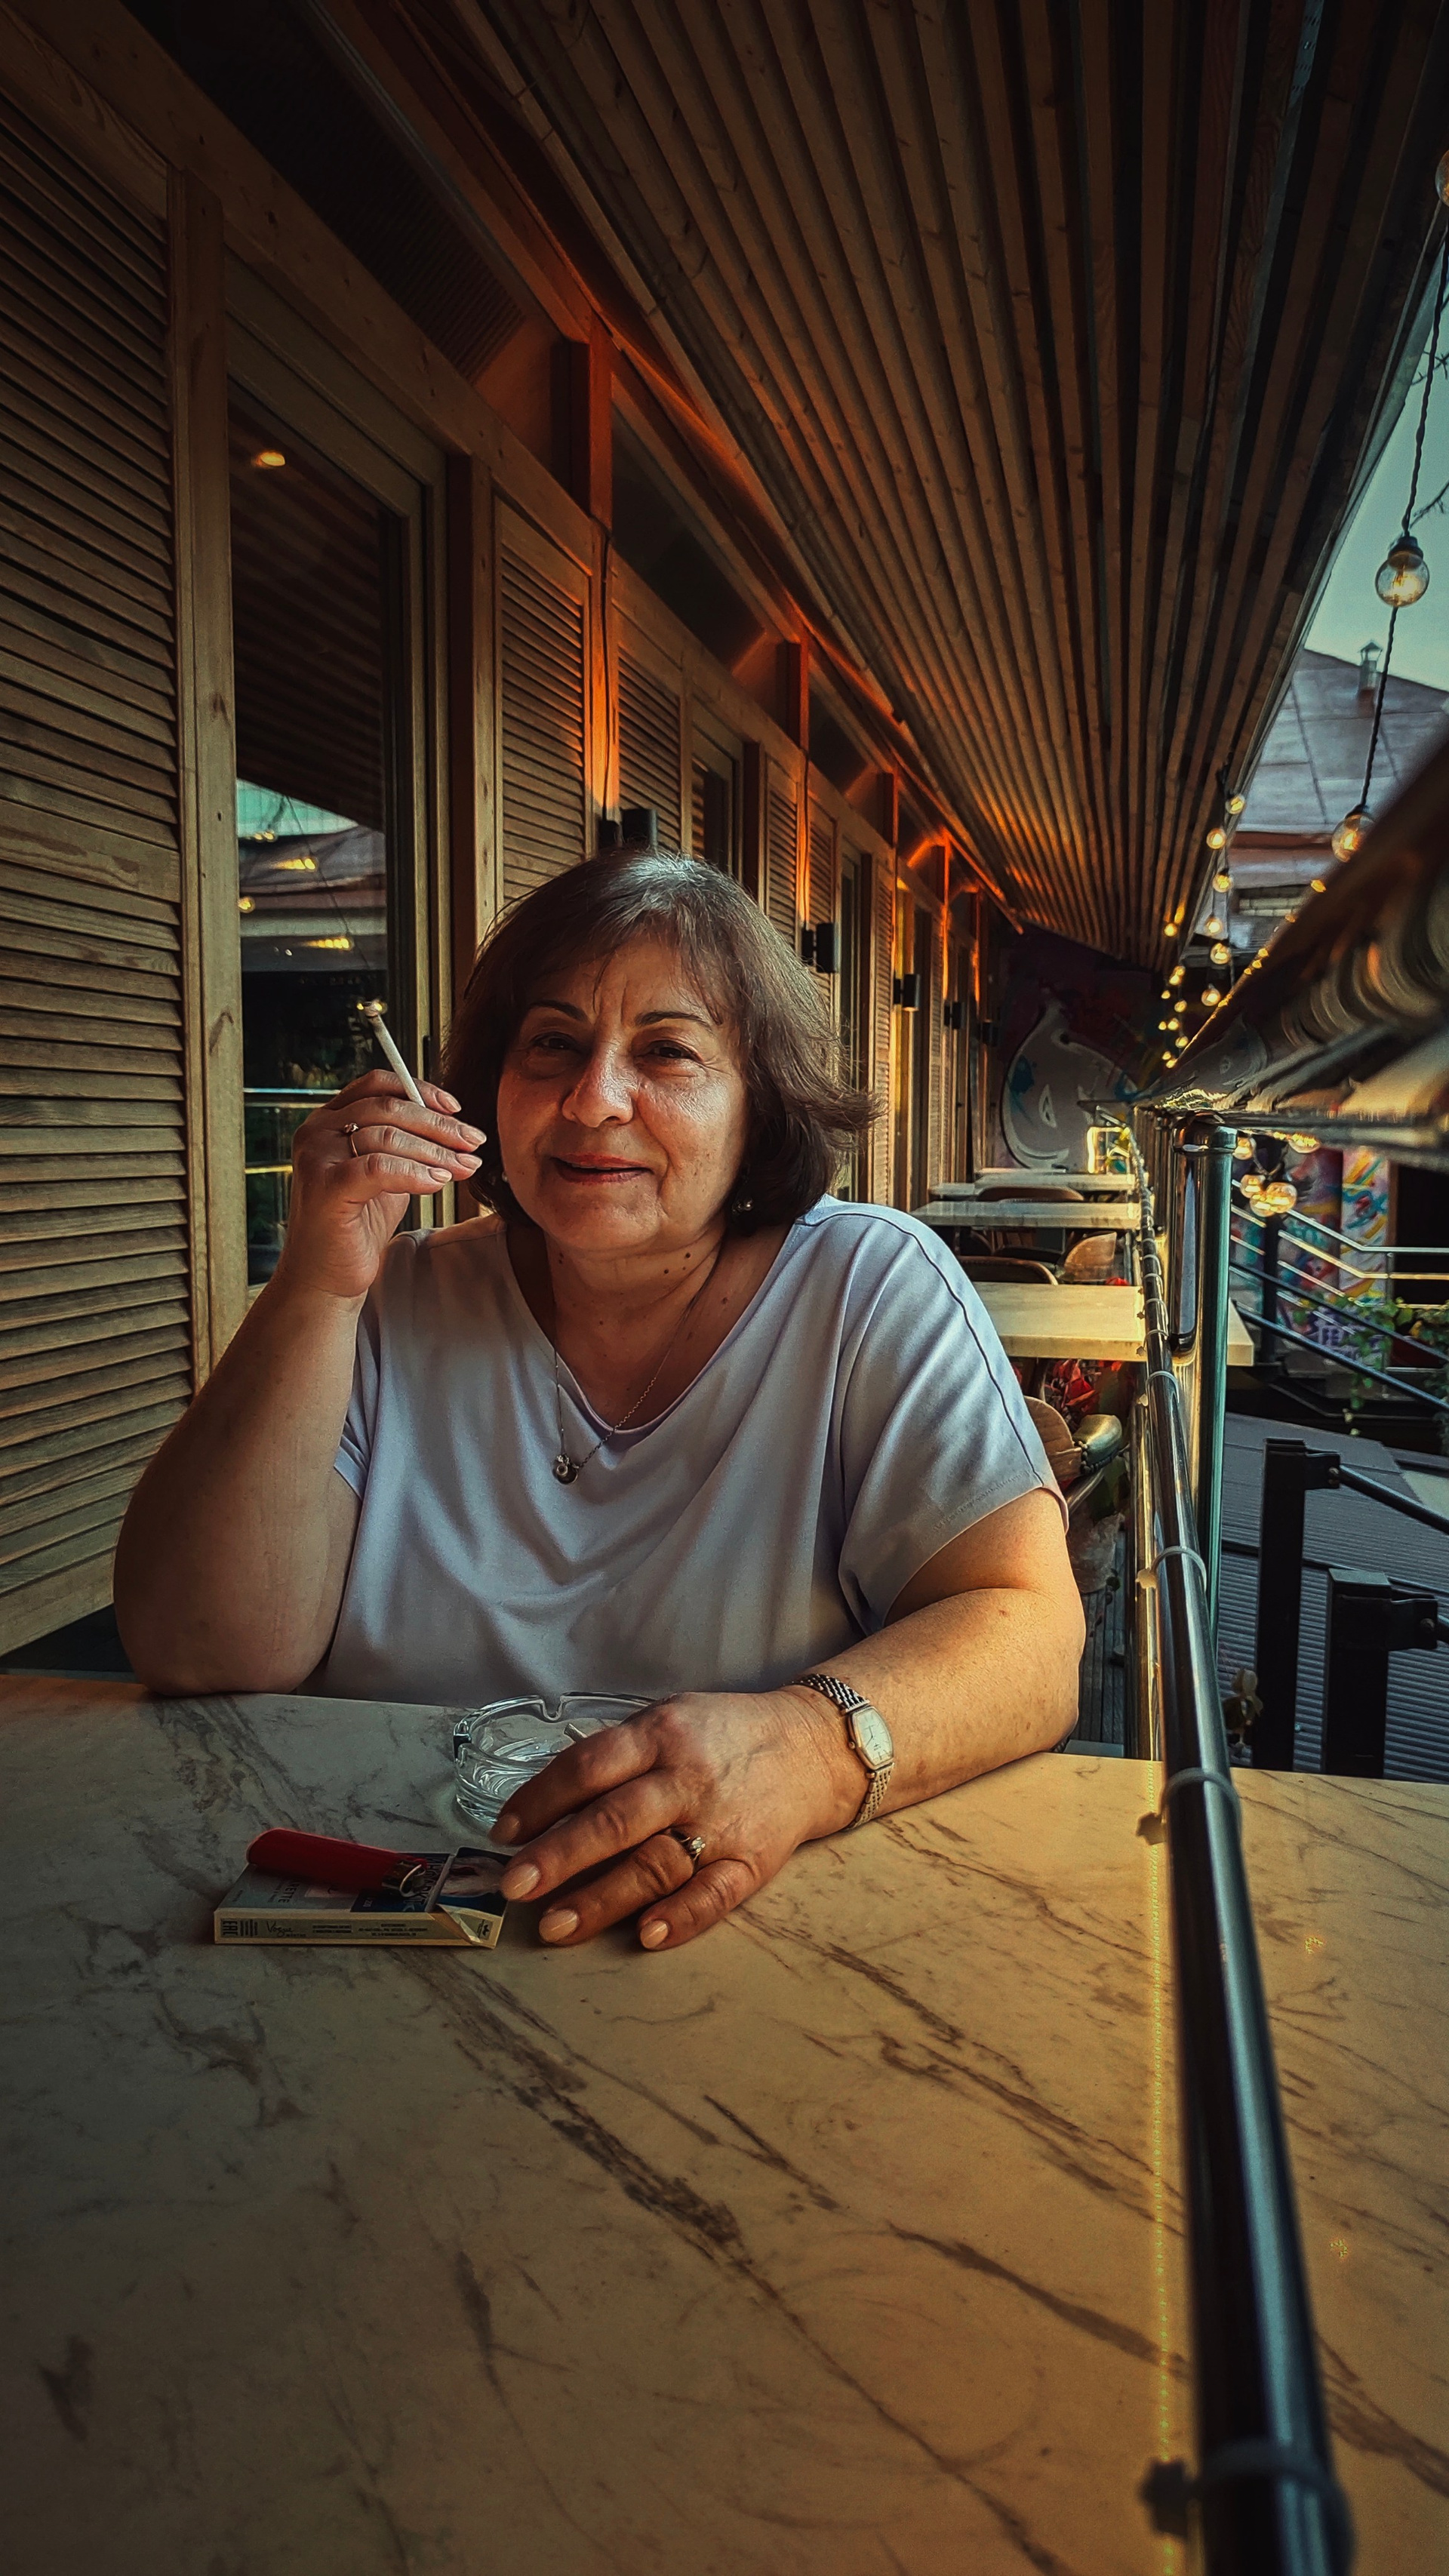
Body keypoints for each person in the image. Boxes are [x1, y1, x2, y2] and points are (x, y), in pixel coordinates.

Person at [116, 852, 1083, 1953]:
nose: (593, 1100)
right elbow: (203, 1649)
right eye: (553, 1046)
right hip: (377, 1935)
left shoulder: (867, 1289)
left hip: (740, 1942)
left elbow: (1032, 1636)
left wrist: (809, 1750)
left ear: (759, 1099)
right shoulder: (386, 1299)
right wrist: (315, 1284)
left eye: (666, 1051)